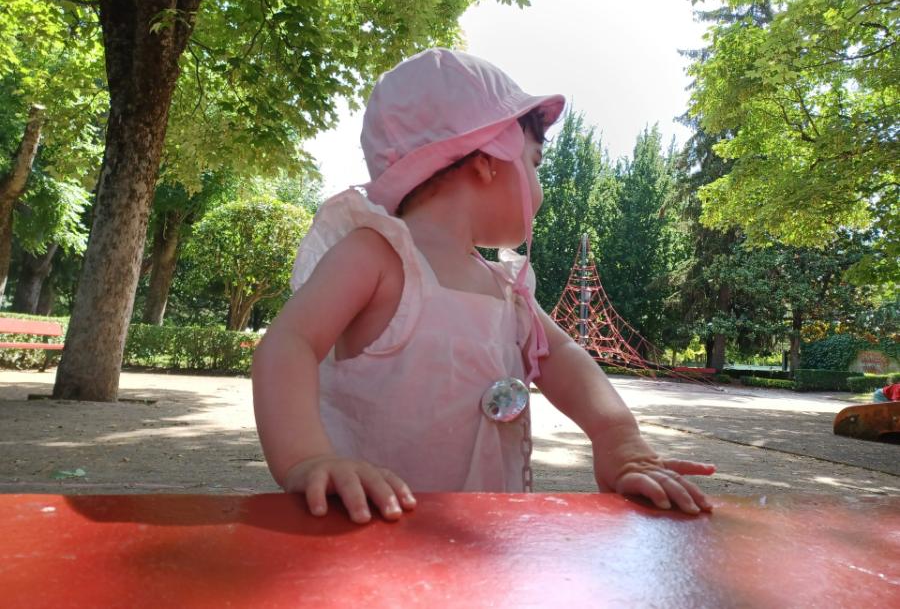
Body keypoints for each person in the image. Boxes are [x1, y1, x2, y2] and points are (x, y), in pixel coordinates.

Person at [252, 48, 716, 525]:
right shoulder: (378, 256)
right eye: (534, 164)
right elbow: (290, 343)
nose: (540, 185)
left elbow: (565, 359)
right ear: (488, 161)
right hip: (366, 535)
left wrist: (620, 441)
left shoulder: (505, 288)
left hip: (481, 546)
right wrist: (307, 457)